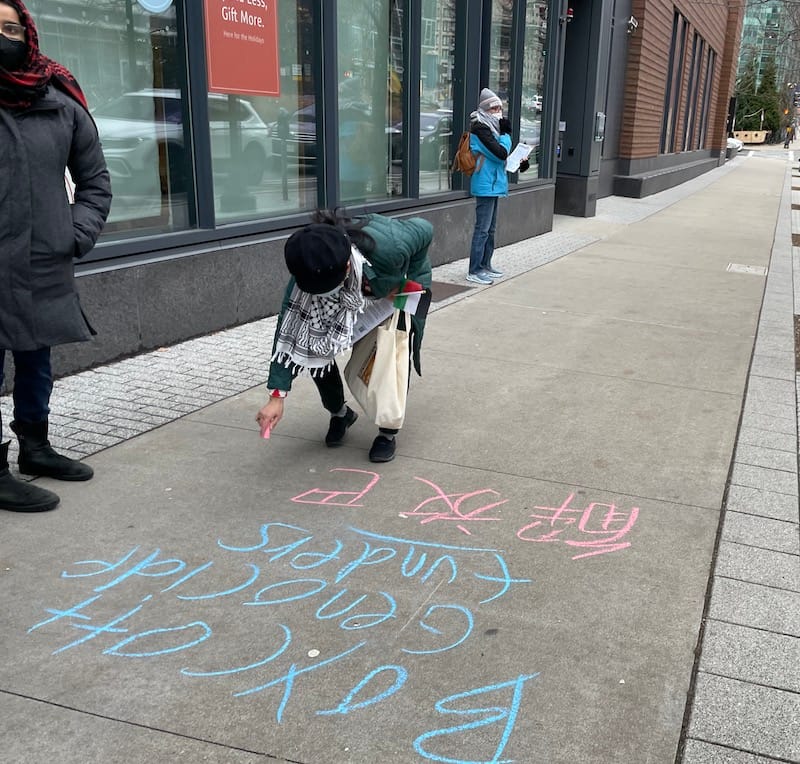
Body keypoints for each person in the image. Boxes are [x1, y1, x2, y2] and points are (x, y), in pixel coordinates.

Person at [0, 0, 112, 512]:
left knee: (36, 359)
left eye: (10, 27)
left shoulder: (58, 98)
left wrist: (74, 234)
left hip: (43, 260)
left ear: (28, 32)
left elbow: (95, 182)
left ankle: (36, 448)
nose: (4, 37)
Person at [256, 209, 433, 463]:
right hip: (352, 299)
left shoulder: (391, 246)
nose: (319, 295)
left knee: (392, 353)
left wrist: (402, 285)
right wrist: (276, 395)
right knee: (315, 347)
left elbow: (425, 228)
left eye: (326, 289)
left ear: (347, 264)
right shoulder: (308, 270)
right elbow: (288, 335)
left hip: (387, 290)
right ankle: (340, 413)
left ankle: (387, 431)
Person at [466, 87, 529, 285]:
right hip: (485, 184)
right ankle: (474, 270)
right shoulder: (480, 128)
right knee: (482, 229)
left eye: (500, 108)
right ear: (485, 109)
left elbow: (503, 158)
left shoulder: (492, 128)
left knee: (491, 229)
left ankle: (485, 264)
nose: (498, 112)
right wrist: (506, 133)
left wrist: (521, 161)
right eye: (494, 109)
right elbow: (500, 152)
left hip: (494, 183)